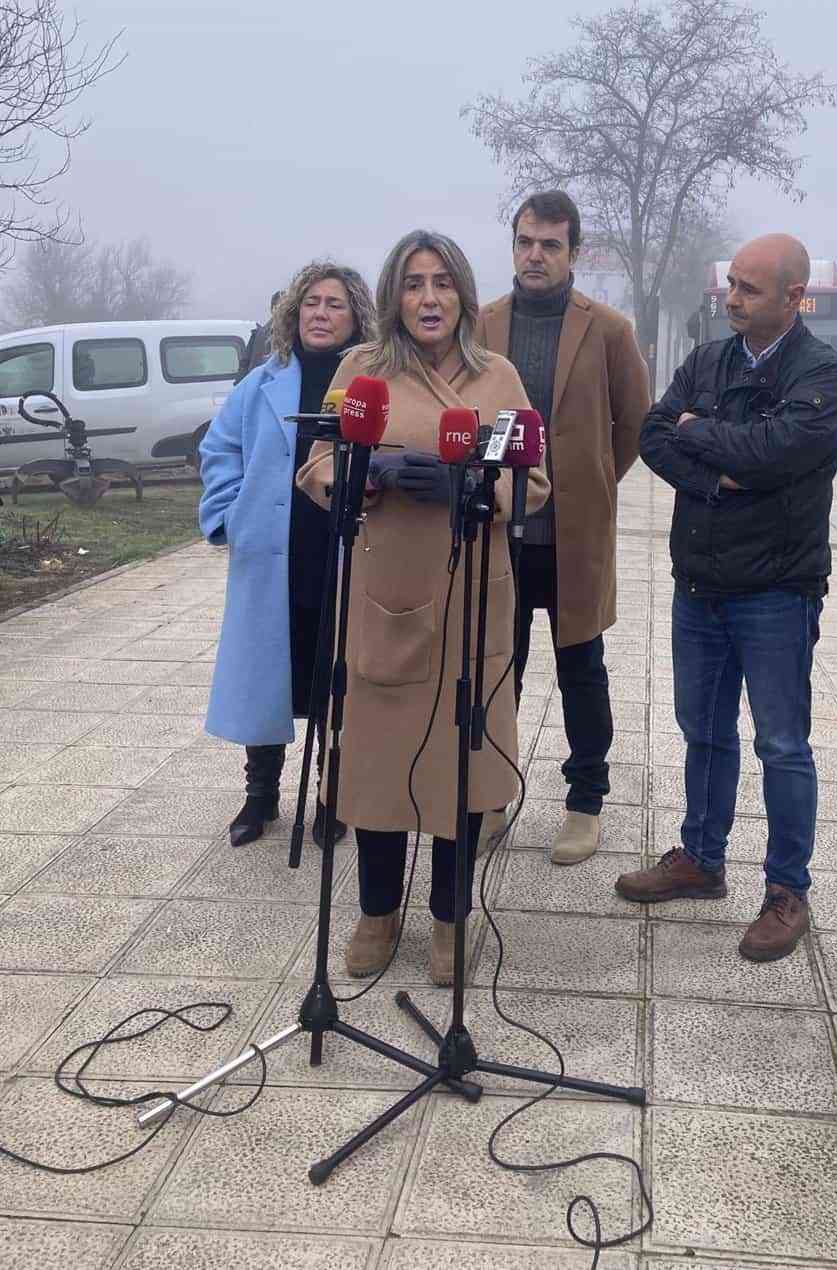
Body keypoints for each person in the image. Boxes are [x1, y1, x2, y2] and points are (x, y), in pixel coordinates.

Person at [297, 231, 549, 985]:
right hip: (384, 598)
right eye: (413, 284)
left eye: (443, 283)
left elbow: (533, 486)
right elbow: (316, 465)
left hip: (472, 601)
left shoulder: (497, 377)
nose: (429, 298)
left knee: (461, 771)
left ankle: (450, 916)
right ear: (393, 296)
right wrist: (365, 476)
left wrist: (471, 489)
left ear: (465, 296)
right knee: (374, 767)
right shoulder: (359, 370)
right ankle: (377, 910)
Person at [616, 234, 837, 962]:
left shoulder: (822, 373)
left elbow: (778, 452)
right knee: (703, 731)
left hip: (777, 590)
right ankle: (701, 859)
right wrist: (714, 476)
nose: (733, 299)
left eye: (750, 288)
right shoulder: (708, 359)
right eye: (732, 287)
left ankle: (787, 891)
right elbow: (655, 435)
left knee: (781, 744)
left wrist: (702, 432)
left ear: (792, 296)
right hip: (701, 581)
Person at [479, 190, 649, 864]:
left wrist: (598, 480)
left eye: (550, 244)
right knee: (498, 665)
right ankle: (492, 791)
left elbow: (634, 423)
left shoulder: (608, 329)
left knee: (582, 666)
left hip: (573, 531)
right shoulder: (482, 324)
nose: (535, 255)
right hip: (498, 528)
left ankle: (585, 801)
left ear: (574, 254)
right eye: (525, 242)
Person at [199, 262, 376, 847]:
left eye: (335, 305)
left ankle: (333, 798)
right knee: (266, 673)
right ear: (293, 312)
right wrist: (225, 515)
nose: (320, 314)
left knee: (334, 673)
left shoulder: (370, 384)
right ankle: (260, 797)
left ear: (356, 319)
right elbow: (219, 447)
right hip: (271, 551)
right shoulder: (263, 382)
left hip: (343, 551)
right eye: (311, 303)